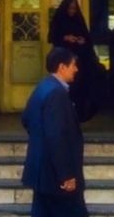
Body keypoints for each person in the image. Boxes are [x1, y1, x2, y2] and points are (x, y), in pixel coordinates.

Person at [22, 47, 88, 217]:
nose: (76, 69)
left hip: (43, 173)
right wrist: (66, 175)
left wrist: (40, 141)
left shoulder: (43, 87)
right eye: (73, 65)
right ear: (62, 67)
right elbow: (56, 137)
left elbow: (27, 119)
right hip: (55, 177)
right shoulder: (57, 93)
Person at [48, 0, 100, 121]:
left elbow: (86, 38)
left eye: (74, 9)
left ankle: (77, 115)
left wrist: (81, 40)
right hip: (63, 63)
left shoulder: (78, 20)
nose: (72, 11)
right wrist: (65, 38)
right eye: (70, 8)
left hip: (79, 61)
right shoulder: (59, 20)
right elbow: (52, 37)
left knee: (80, 88)